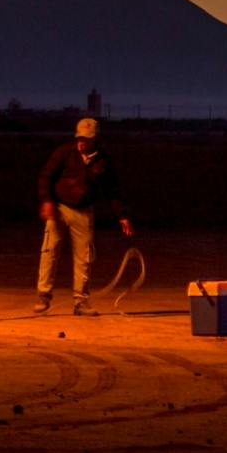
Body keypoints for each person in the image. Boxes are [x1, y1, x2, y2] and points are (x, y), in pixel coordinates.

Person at [34, 116, 133, 316]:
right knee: (49, 252)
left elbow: (112, 189)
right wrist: (47, 201)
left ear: (95, 138)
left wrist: (122, 215)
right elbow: (46, 176)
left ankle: (81, 302)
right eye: (79, 137)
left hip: (83, 211)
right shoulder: (64, 152)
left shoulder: (103, 160)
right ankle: (43, 296)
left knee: (84, 258)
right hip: (59, 209)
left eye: (86, 138)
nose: (82, 141)